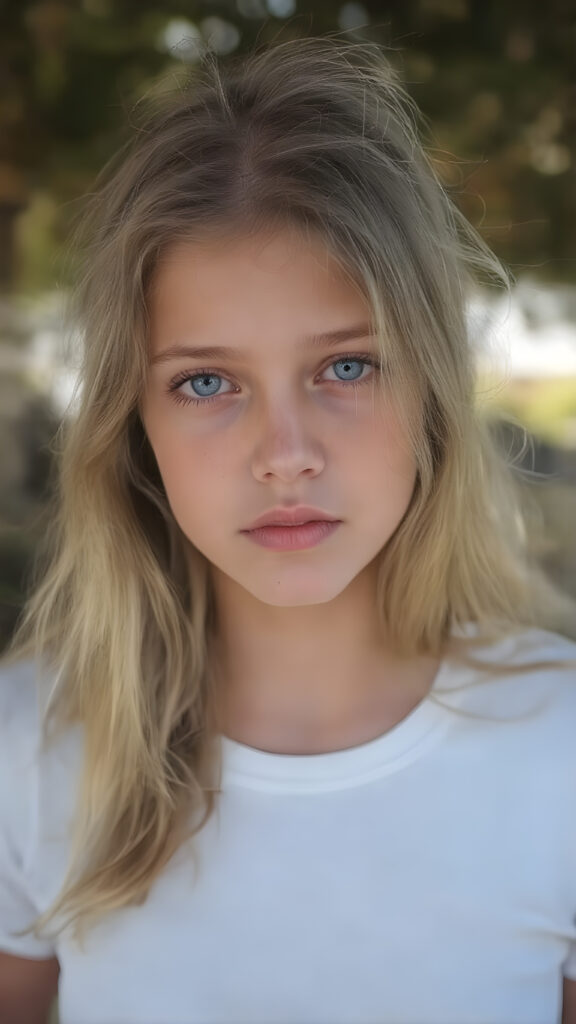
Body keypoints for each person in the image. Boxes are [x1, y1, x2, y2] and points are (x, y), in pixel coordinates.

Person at [1, 33, 576, 1024]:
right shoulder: (31, 748)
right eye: (206, 382)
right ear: (135, 427)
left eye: (347, 366)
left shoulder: (559, 748)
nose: (285, 453)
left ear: (432, 388)